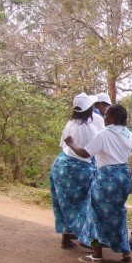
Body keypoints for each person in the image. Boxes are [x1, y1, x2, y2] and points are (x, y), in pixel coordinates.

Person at [64, 104, 132, 263]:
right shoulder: (128, 134)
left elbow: (85, 153)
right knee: (118, 212)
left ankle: (97, 254)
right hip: (123, 177)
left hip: (106, 178)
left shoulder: (104, 134)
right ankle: (125, 250)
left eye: (106, 115)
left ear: (113, 118)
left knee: (95, 214)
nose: (104, 117)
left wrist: (71, 143)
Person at [50, 93, 99, 249]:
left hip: (61, 165)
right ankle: (86, 237)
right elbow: (93, 151)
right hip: (81, 168)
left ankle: (66, 238)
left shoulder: (69, 124)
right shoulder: (90, 128)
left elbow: (63, 145)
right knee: (85, 203)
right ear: (89, 110)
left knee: (65, 203)